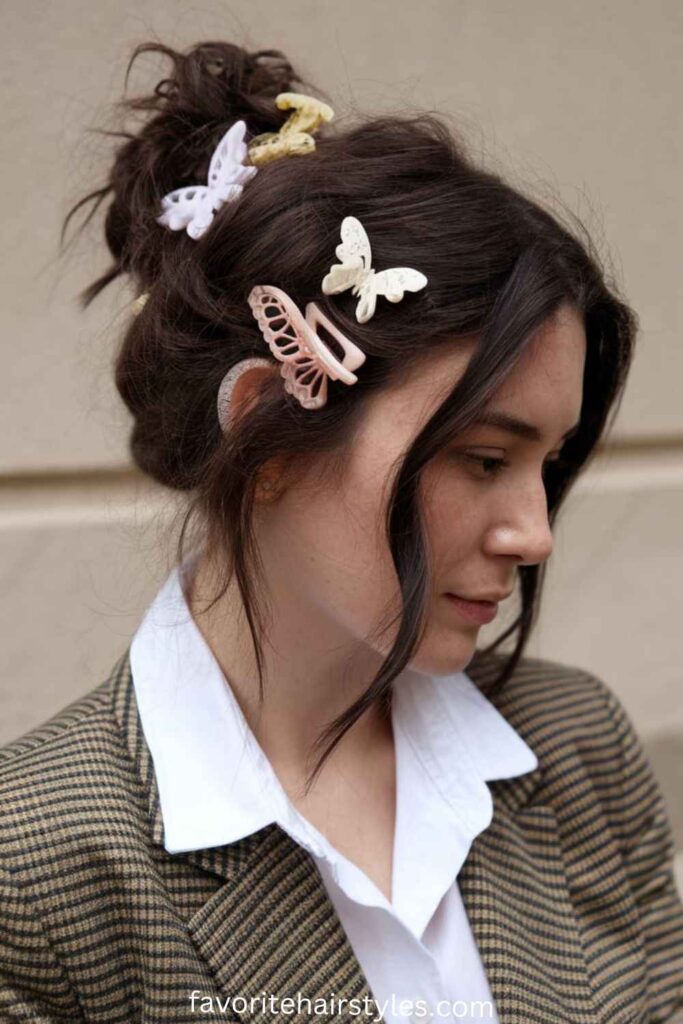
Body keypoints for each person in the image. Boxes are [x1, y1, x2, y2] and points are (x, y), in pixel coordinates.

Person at [1, 37, 682, 1024]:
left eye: (547, 464)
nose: (533, 535)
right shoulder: (37, 872)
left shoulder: (573, 746)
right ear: (268, 435)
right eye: (483, 460)